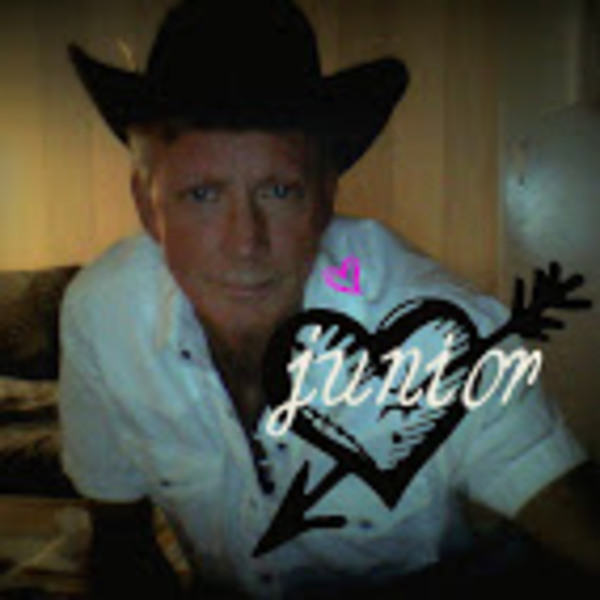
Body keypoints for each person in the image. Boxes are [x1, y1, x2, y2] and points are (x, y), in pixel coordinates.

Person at [59, 1, 600, 598]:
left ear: (324, 197)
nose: (246, 244)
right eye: (203, 194)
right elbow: (121, 545)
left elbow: (570, 514)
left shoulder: (441, 335)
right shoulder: (102, 315)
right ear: (147, 206)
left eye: (279, 190)